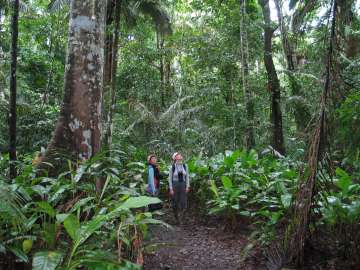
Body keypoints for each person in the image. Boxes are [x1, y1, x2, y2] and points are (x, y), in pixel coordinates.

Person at [168, 152, 190, 224]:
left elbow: (187, 177)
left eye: (180, 155)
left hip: (183, 184)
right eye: (178, 156)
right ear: (175, 158)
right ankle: (176, 218)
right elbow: (170, 179)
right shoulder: (172, 167)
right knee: (175, 202)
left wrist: (187, 186)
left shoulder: (185, 166)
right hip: (175, 185)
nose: (180, 156)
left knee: (184, 202)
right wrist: (171, 189)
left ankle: (182, 218)